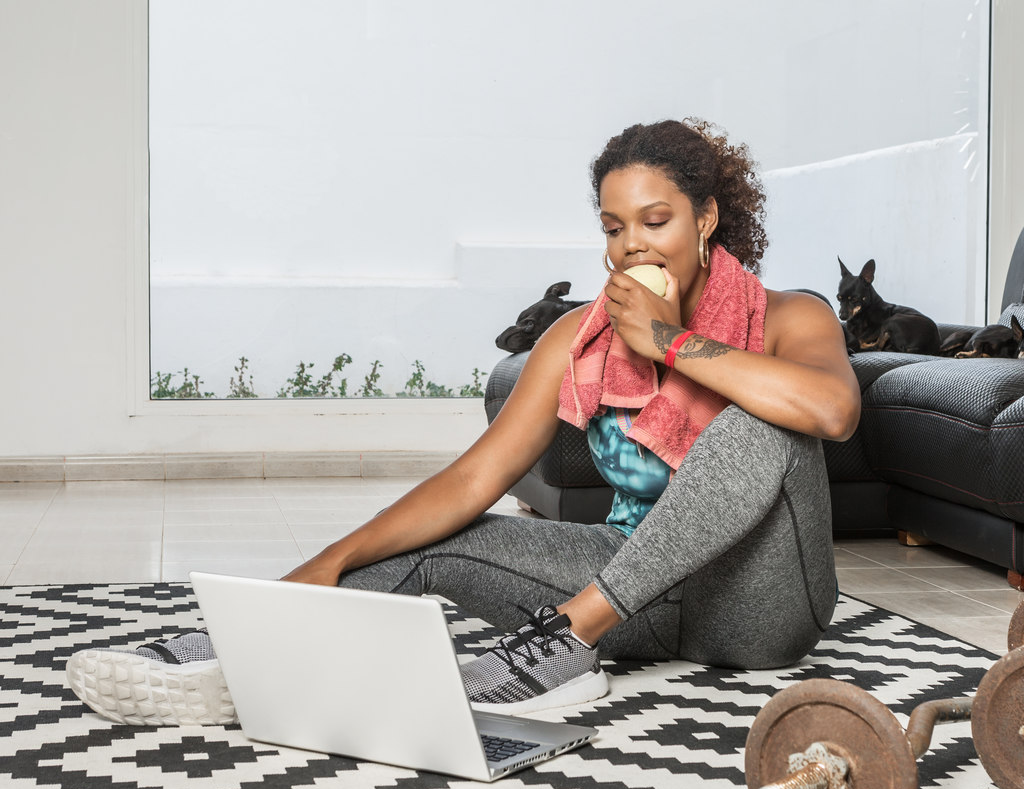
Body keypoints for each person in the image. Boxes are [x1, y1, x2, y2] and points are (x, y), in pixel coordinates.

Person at [66, 118, 860, 726]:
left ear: (707, 218)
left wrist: (671, 341)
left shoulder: (790, 317)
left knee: (765, 422)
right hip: (638, 593)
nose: (629, 248)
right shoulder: (576, 335)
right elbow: (476, 478)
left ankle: (567, 639)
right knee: (434, 537)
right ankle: (247, 644)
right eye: (614, 228)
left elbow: (832, 410)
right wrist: (323, 566)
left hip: (759, 609)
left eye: (655, 221)